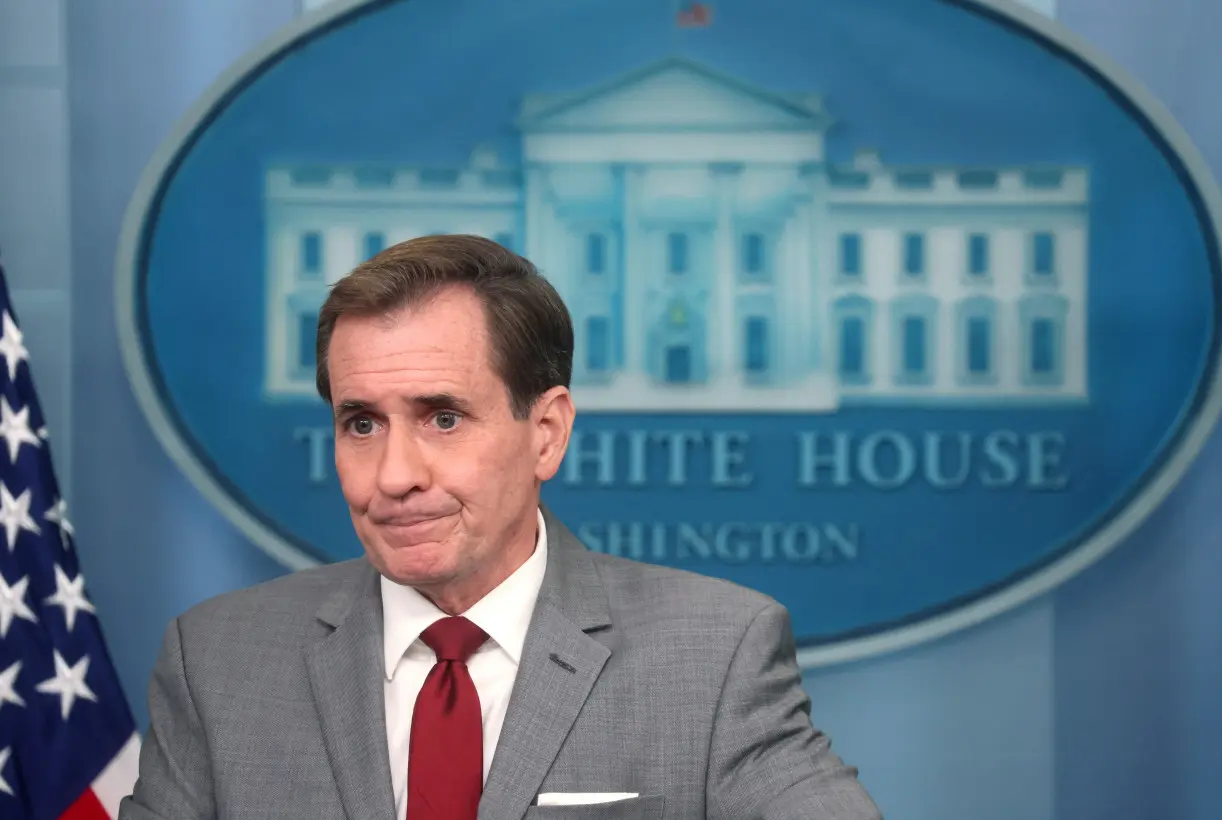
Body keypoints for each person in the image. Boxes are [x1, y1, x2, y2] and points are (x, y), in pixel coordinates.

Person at [120, 234, 882, 820]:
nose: (394, 474)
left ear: (545, 431)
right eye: (360, 423)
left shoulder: (714, 655)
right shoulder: (216, 662)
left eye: (442, 417)